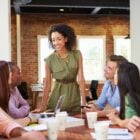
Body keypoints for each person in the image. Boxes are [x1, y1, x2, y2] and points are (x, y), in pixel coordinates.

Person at [33, 23, 86, 114]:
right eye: (53, 40)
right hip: (57, 96)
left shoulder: (77, 54)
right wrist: (42, 107)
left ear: (66, 39)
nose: (56, 43)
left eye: (59, 39)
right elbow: (47, 85)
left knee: (75, 122)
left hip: (74, 95)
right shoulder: (49, 60)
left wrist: (84, 103)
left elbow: (81, 79)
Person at [0, 61, 46, 139]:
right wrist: (29, 119)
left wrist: (25, 132)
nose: (10, 75)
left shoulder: (12, 90)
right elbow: (15, 116)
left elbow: (9, 123)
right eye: (8, 72)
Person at [107, 62, 140, 131]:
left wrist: (116, 120)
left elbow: (131, 124)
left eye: (116, 73)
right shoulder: (134, 94)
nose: (114, 76)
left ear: (123, 77)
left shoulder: (129, 97)